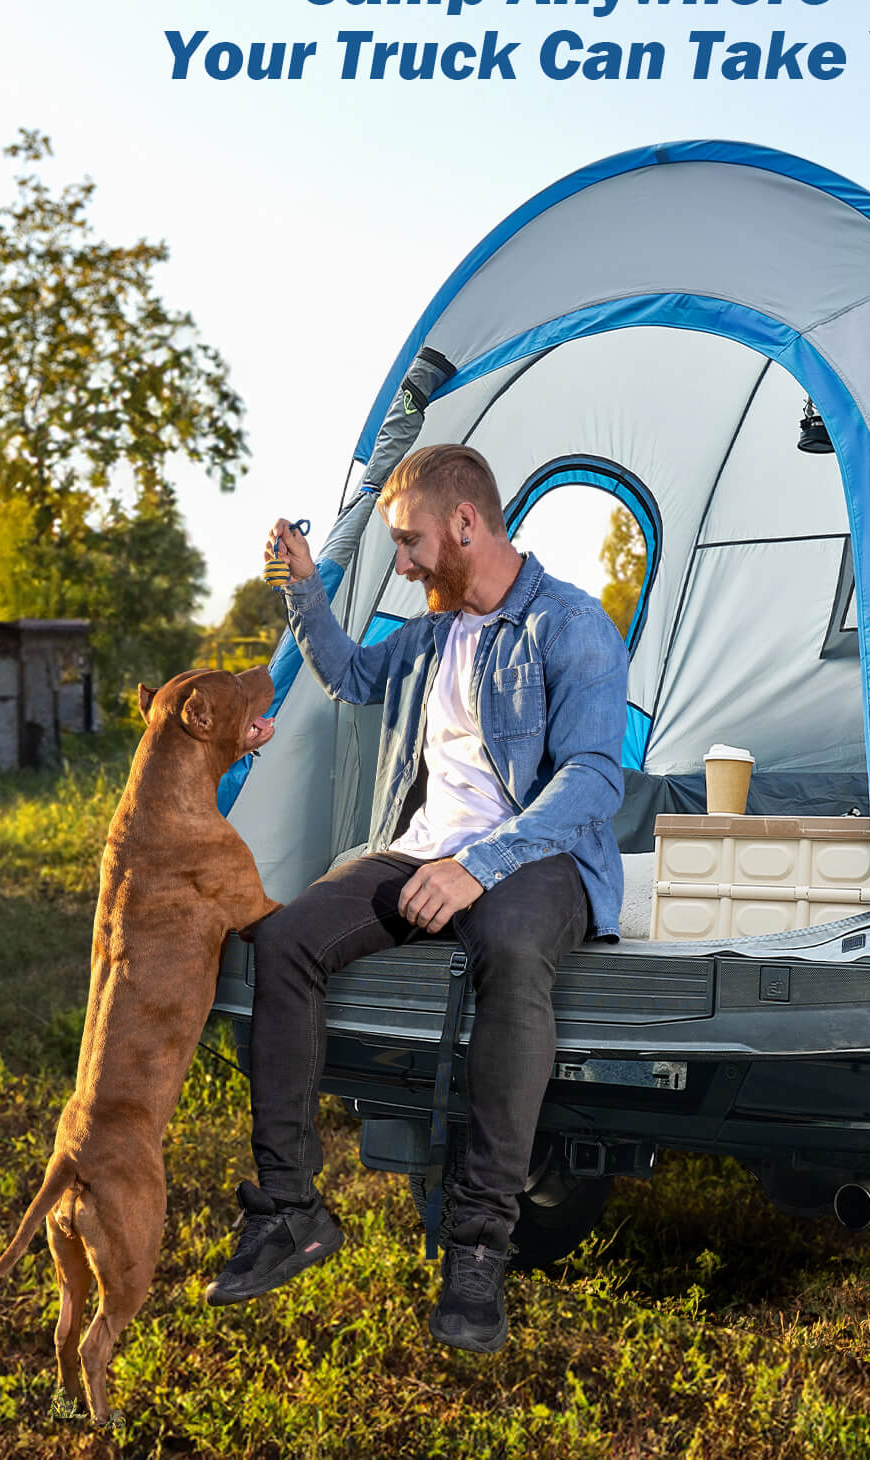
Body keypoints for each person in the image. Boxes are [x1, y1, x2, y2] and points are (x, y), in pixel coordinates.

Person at [205, 438, 629, 1354]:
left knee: (510, 949)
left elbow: (594, 779)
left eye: (410, 542)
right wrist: (304, 588)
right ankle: (290, 1209)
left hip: (540, 856)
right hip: (422, 851)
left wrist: (482, 865)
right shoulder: (436, 631)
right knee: (285, 942)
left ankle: (477, 1248)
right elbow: (353, 676)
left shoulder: (570, 624)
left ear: (466, 523)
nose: (402, 564)